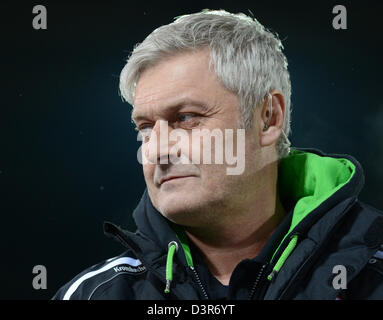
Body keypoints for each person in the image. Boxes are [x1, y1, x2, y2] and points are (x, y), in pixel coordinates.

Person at [53, 9, 383, 300]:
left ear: (267, 118)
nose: (157, 150)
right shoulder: (90, 294)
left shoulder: (372, 279)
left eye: (185, 118)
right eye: (146, 127)